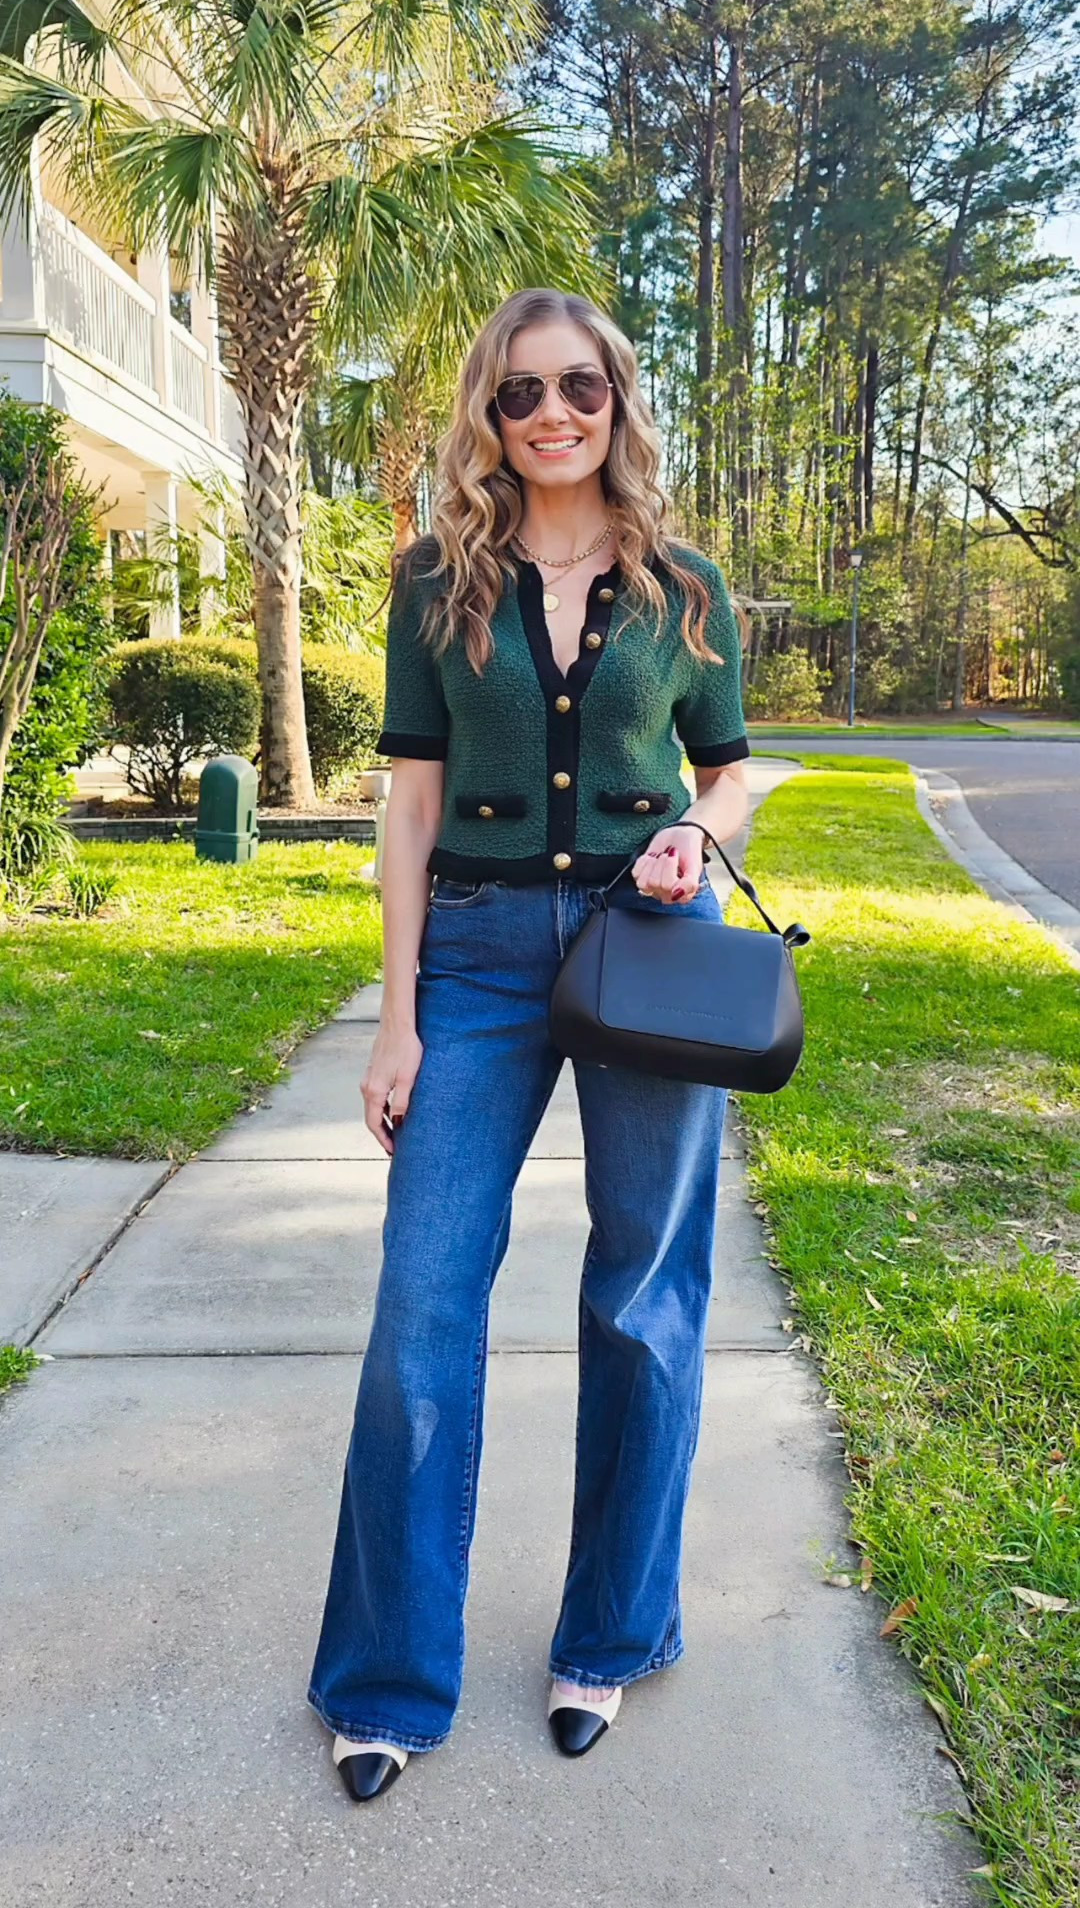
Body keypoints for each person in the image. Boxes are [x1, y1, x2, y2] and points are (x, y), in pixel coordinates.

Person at [307, 288, 751, 1801]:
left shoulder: (684, 584)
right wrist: (397, 1015)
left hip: (650, 946)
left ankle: (610, 1639)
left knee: (643, 1296)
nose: (551, 414)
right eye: (518, 393)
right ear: (486, 417)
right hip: (479, 953)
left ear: (617, 398)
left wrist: (695, 834)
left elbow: (731, 771)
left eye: (577, 387)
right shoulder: (438, 579)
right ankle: (386, 1677)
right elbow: (412, 809)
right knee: (422, 1300)